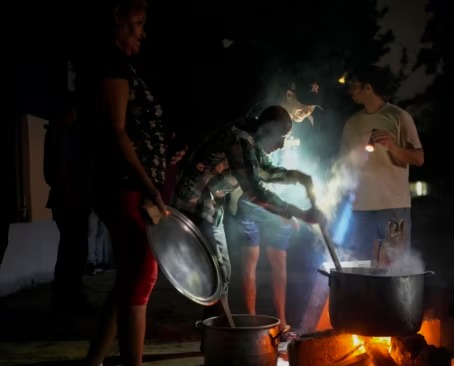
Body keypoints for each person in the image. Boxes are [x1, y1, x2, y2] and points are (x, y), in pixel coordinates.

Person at [171, 105, 326, 348]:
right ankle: (218, 340)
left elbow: (265, 171)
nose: (281, 145)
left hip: (211, 205)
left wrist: (298, 177)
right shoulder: (239, 139)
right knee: (217, 273)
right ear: (267, 129)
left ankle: (213, 338)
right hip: (195, 202)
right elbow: (255, 190)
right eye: (280, 138)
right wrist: (299, 214)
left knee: (222, 274)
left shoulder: (250, 141)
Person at [72, 0, 169, 365]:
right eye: (138, 23)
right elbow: (115, 129)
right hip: (125, 184)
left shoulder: (117, 64)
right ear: (116, 19)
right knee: (143, 272)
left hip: (129, 182)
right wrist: (148, 182)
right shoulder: (110, 64)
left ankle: (94, 360)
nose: (143, 32)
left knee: (130, 276)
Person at [229, 78, 322, 339]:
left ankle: (281, 323)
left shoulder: (304, 128)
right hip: (252, 200)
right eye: (306, 104)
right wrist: (293, 211)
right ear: (290, 95)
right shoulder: (262, 120)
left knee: (279, 261)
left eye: (313, 108)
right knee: (250, 261)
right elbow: (256, 180)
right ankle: (251, 323)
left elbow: (282, 169)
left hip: (276, 200)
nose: (308, 111)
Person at [340, 65, 424, 259]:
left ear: (368, 88)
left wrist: (392, 146)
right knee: (362, 269)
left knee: (393, 270)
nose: (351, 90)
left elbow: (418, 158)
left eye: (355, 86)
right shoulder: (352, 123)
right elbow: (343, 165)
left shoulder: (399, 117)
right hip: (360, 209)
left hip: (393, 207)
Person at [43, 93, 94, 314]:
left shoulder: (62, 131)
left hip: (71, 199)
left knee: (73, 249)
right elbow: (61, 168)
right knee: (72, 250)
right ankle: (66, 298)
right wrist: (70, 195)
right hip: (70, 200)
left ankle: (68, 296)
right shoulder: (60, 131)